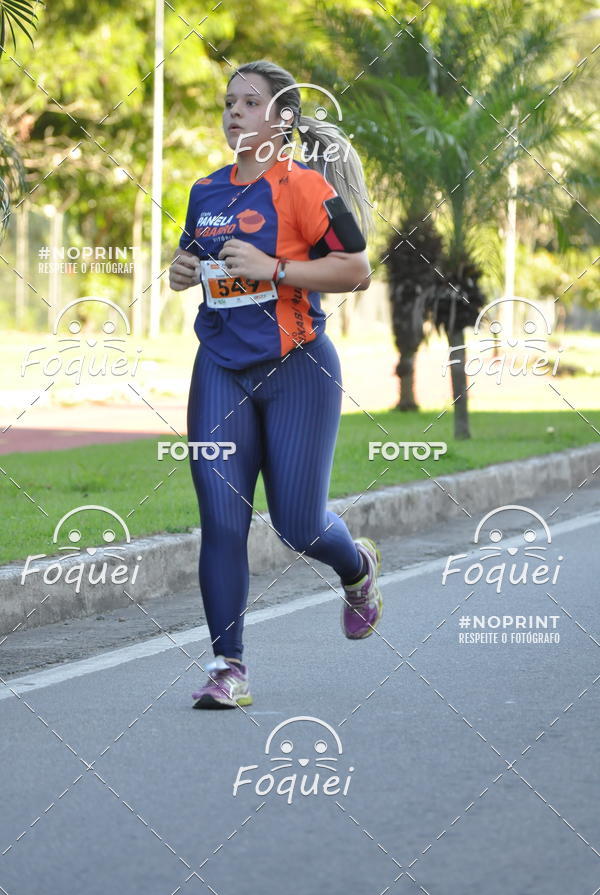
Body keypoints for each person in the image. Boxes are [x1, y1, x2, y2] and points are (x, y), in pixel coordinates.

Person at [168, 59, 384, 710]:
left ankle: (358, 569)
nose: (234, 111)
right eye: (228, 101)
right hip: (220, 370)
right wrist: (183, 269)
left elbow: (357, 269)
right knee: (221, 522)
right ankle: (226, 667)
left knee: (297, 526)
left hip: (300, 372)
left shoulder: (309, 190)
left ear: (280, 119)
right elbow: (198, 261)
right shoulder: (205, 190)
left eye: (250, 102)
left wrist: (276, 267)